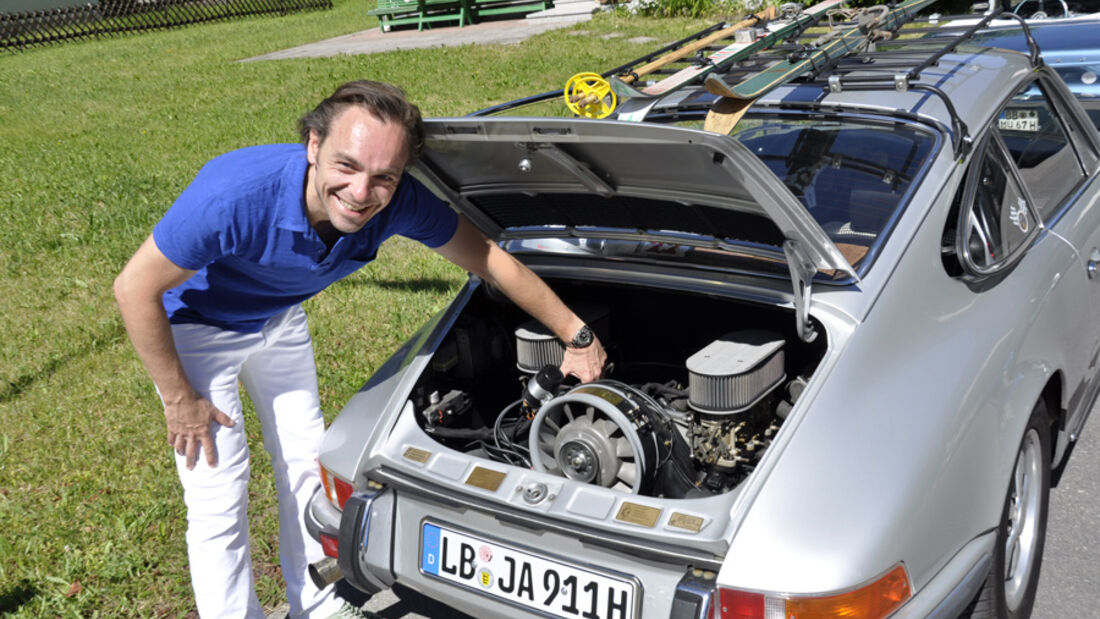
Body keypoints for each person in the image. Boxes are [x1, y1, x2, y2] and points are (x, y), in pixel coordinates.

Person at [113, 80, 606, 618]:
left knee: (307, 465)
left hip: (278, 319)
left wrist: (576, 334)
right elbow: (134, 288)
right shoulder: (235, 195)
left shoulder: (398, 203)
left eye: (383, 177)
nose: (360, 191)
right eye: (345, 165)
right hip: (199, 329)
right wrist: (178, 398)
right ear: (312, 145)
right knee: (219, 494)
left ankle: (316, 602)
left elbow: (487, 257)